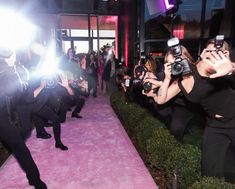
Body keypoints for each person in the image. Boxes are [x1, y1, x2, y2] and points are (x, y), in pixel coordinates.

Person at [143, 38, 235, 180]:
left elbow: (225, 67)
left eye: (177, 61)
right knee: (210, 170)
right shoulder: (179, 82)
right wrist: (166, 78)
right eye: (170, 64)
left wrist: (230, 68)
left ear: (186, 58)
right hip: (215, 126)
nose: (175, 66)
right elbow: (161, 99)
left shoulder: (202, 67)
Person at [0, 48, 47, 189]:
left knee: (21, 147)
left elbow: (19, 88)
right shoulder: (9, 70)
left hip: (3, 116)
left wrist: (13, 66)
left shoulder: (13, 70)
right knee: (21, 148)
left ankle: (34, 180)